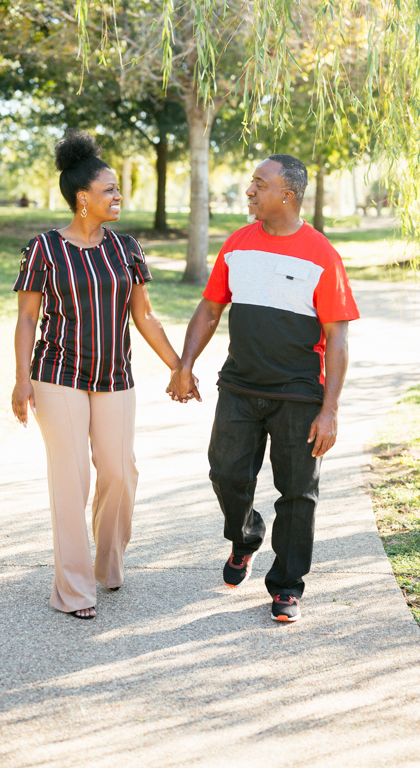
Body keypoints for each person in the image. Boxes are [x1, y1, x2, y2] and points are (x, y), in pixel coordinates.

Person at [167, 155, 359, 623]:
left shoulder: (321, 255)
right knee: (225, 473)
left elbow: (337, 337)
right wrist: (185, 363)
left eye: (259, 184)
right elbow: (210, 308)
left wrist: (329, 409)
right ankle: (246, 537)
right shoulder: (237, 244)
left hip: (298, 393)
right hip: (239, 386)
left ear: (287, 196)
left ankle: (288, 585)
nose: (249, 191)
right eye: (251, 183)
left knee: (298, 494)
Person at [12, 131, 182, 620]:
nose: (117, 196)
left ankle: (108, 565)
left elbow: (144, 316)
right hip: (57, 374)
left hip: (114, 376)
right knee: (70, 479)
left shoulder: (127, 248)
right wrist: (22, 380)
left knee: (119, 472)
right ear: (82, 197)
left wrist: (178, 366)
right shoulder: (44, 248)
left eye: (118, 189)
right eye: (108, 189)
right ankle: (73, 590)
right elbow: (27, 319)